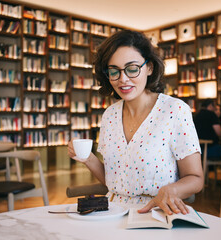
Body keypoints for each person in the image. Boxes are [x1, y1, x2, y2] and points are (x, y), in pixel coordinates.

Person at [68, 30, 203, 215]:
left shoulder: (174, 111)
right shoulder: (109, 115)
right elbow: (114, 182)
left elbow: (195, 178)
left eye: (132, 69)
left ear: (149, 68)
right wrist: (88, 159)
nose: (123, 79)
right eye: (114, 71)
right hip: (111, 212)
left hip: (156, 213)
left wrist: (172, 190)